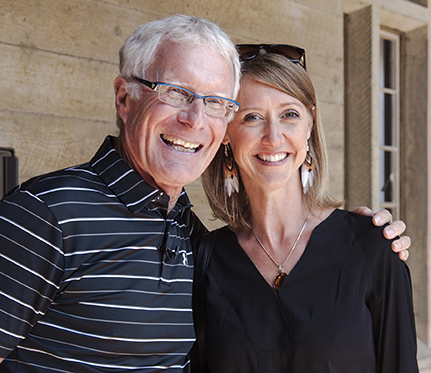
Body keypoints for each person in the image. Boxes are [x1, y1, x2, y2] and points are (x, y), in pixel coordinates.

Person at [0, 16, 409, 372]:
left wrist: (371, 237)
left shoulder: (187, 234)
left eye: (214, 102)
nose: (193, 120)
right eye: (175, 92)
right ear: (125, 98)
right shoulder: (44, 215)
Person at [195, 49, 419, 372]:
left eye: (289, 115)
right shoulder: (205, 262)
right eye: (252, 117)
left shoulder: (373, 249)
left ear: (310, 124)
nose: (273, 137)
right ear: (227, 133)